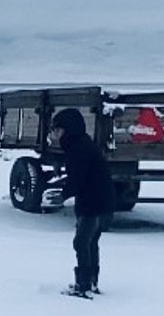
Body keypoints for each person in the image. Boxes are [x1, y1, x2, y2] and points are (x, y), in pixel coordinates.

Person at [46, 108, 116, 297]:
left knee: (82, 242)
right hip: (100, 200)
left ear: (68, 129)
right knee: (91, 242)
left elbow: (78, 179)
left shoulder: (78, 148)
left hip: (93, 202)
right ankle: (91, 282)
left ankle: (84, 285)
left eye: (57, 129)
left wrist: (62, 196)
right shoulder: (80, 145)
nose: (55, 134)